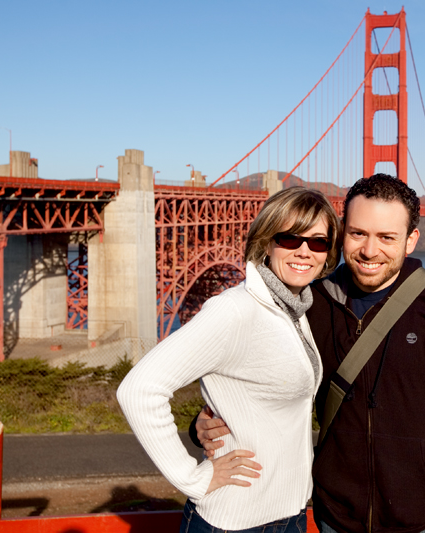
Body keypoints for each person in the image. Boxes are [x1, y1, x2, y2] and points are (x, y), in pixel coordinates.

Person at [196, 174, 425, 533]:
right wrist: (205, 424)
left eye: (387, 237)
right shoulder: (309, 304)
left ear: (411, 241)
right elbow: (253, 385)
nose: (370, 251)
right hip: (338, 517)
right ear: (343, 232)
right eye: (358, 234)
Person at [117, 187, 340, 533]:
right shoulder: (235, 310)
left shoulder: (296, 309)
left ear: (328, 253)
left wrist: (203, 421)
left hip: (288, 515)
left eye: (318, 242)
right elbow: (139, 390)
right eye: (289, 238)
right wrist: (191, 478)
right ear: (267, 242)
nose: (304, 251)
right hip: (236, 522)